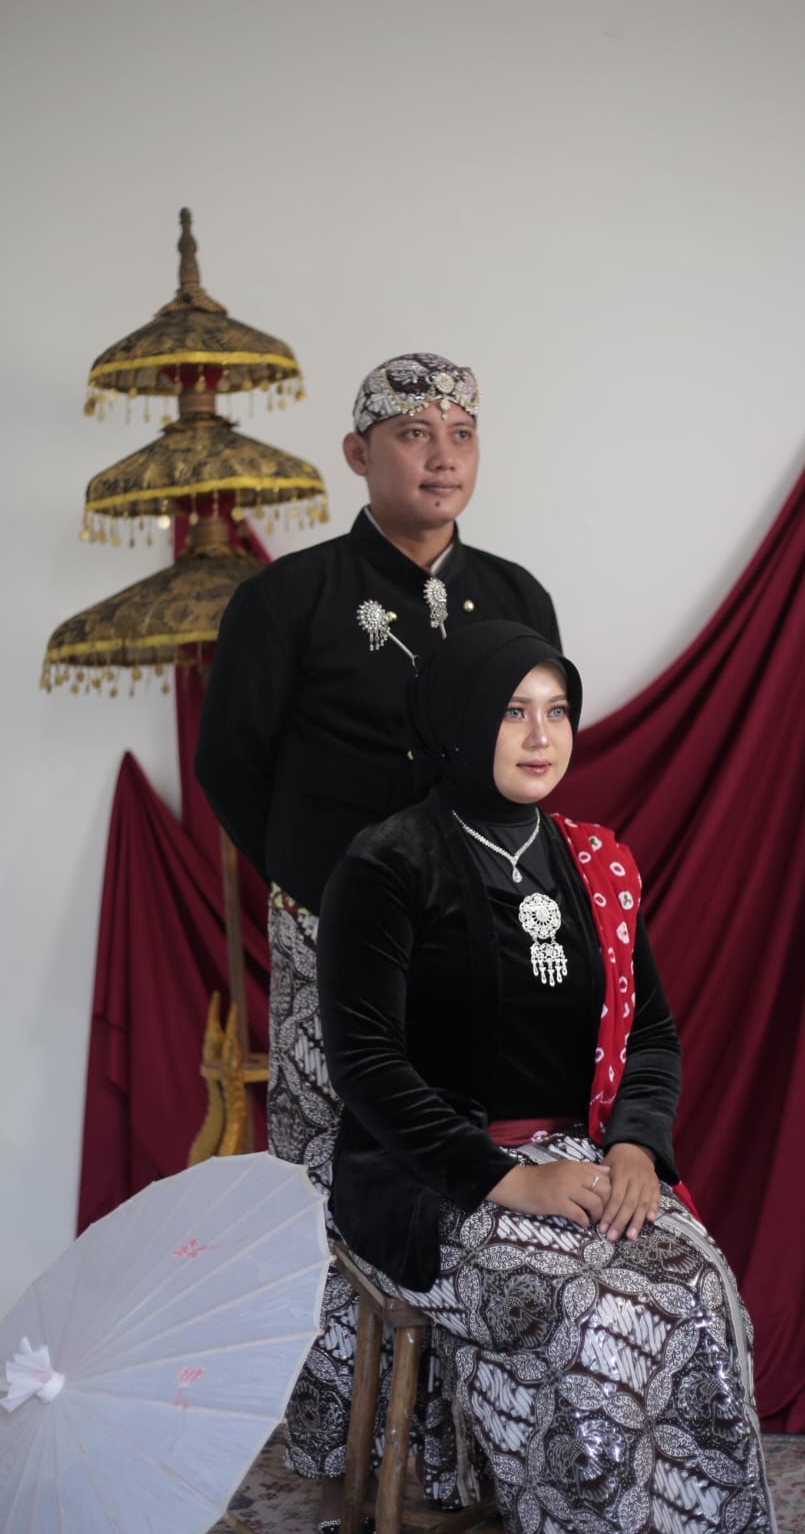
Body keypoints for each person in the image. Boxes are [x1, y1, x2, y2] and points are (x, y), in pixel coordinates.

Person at [195, 355, 560, 1512]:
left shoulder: (514, 593)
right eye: (411, 433)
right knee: (329, 1168)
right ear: (358, 454)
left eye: (460, 431)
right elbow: (231, 764)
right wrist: (327, 887)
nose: (441, 455)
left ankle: (466, 1443)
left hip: (478, 935)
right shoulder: (286, 598)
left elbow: (532, 758)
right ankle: (336, 1438)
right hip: (332, 931)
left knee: (468, 1154)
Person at [317, 621, 776, 1534]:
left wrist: (638, 1145)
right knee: (593, 1312)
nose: (541, 736)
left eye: (557, 711)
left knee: (698, 1288)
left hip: (585, 1154)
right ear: (458, 720)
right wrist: (511, 1181)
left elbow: (651, 1032)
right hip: (432, 1176)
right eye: (512, 711)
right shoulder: (388, 865)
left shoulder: (595, 862)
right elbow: (366, 1066)